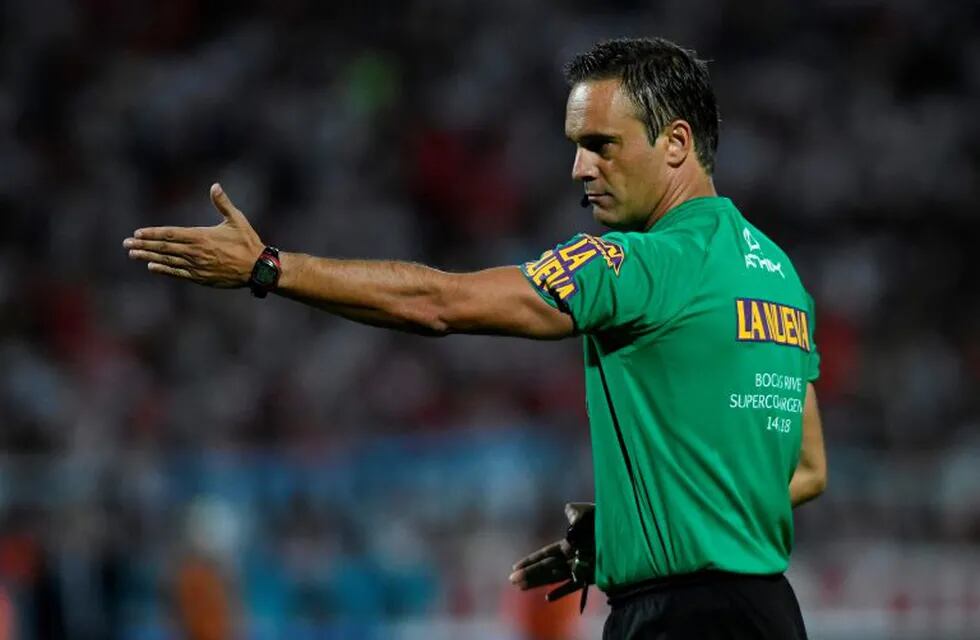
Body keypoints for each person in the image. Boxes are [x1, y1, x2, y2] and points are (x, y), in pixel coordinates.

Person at [122, 37, 827, 639]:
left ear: (675, 142)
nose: (581, 169)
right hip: (769, 612)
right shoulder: (779, 276)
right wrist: (632, 530)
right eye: (577, 147)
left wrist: (268, 267)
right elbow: (804, 470)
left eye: (601, 145)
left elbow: (438, 302)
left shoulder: (641, 263)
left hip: (680, 621)